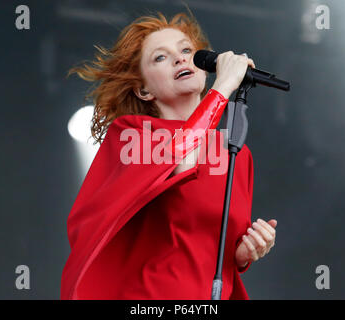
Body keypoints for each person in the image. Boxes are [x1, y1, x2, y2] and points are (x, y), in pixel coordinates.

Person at [61, 11, 277, 300]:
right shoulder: (132, 134)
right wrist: (223, 87)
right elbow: (178, 161)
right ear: (143, 89)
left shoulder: (235, 151)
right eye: (161, 57)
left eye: (187, 50)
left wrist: (245, 252)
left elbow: (212, 249)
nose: (181, 59)